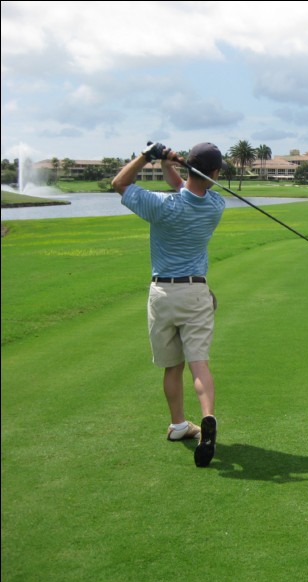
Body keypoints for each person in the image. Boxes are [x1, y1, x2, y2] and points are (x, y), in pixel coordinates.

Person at [111, 141, 225, 467]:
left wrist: (151, 156)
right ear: (214, 174)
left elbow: (120, 184)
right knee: (198, 364)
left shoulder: (161, 206)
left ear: (189, 168)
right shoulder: (217, 205)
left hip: (162, 294)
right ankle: (207, 420)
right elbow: (188, 190)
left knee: (172, 366)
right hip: (196, 293)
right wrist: (169, 165)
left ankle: (178, 425)